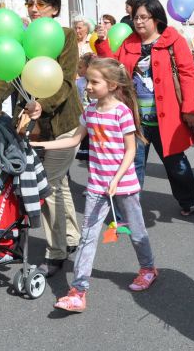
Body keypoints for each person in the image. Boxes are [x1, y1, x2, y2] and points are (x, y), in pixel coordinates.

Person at [33, 58, 157, 312]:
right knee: (88, 237)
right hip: (96, 186)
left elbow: (131, 151)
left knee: (136, 231)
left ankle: (148, 268)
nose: (87, 86)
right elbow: (73, 141)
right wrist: (41, 145)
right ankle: (78, 291)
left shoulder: (122, 112)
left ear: (111, 85)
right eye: (87, 81)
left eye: (93, 81)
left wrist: (117, 178)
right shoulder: (89, 112)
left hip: (124, 186)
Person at [0, 0, 82, 277]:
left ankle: (56, 252)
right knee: (58, 184)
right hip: (31, 125)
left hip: (63, 124)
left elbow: (65, 81)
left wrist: (43, 105)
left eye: (41, 4)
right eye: (30, 4)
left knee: (48, 185)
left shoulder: (64, 36)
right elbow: (9, 73)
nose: (34, 9)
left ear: (55, 8)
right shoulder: (22, 36)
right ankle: (72, 237)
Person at [95, 0, 194, 216]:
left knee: (176, 164)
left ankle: (188, 199)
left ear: (156, 18)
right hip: (136, 119)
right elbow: (113, 67)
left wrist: (190, 107)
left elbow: (188, 75)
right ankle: (127, 211)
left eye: (144, 17)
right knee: (133, 165)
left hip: (168, 118)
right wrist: (102, 43)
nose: (139, 22)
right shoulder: (130, 43)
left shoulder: (173, 41)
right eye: (136, 18)